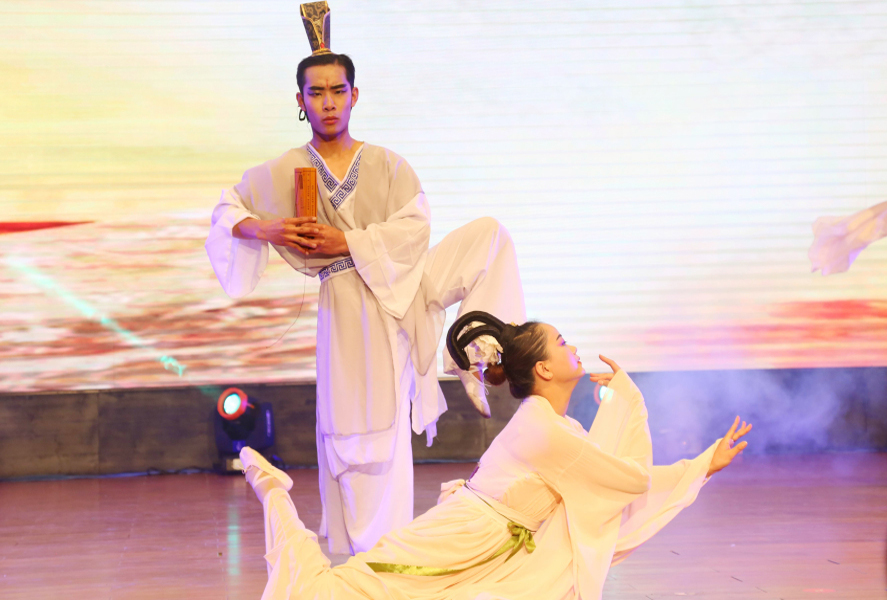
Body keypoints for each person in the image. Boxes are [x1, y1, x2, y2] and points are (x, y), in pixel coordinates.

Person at [205, 5, 525, 555]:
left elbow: (414, 229)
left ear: (355, 95)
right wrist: (269, 227)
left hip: (404, 287)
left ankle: (475, 350)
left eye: (338, 90)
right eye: (316, 93)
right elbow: (226, 210)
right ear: (301, 101)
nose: (328, 102)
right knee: (358, 434)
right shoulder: (288, 167)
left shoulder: (387, 164)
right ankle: (365, 556)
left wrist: (348, 241)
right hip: (350, 303)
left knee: (490, 237)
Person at [238, 310, 753, 600]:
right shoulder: (543, 430)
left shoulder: (563, 428)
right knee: (333, 594)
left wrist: (701, 466)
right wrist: (631, 398)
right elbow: (628, 480)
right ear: (544, 369)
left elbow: (612, 486)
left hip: (497, 549)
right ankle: (273, 491)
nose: (573, 347)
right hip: (460, 535)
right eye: (563, 342)